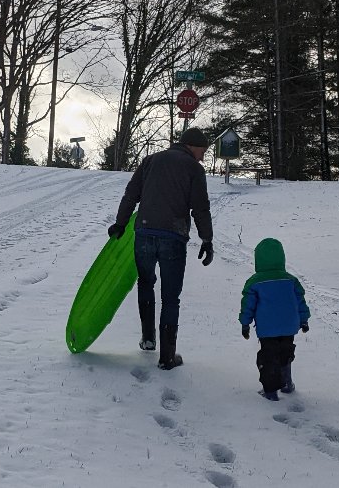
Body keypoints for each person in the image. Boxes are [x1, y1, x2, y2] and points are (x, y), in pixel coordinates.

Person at [108, 128, 214, 370]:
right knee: (170, 297)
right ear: (191, 145)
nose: (202, 157)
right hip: (173, 237)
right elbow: (200, 207)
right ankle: (167, 357)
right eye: (202, 151)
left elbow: (131, 194)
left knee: (145, 283)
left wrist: (121, 223)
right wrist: (206, 239)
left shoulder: (150, 161)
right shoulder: (194, 169)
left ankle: (148, 339)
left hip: (143, 234)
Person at [238, 238, 310, 401]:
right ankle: (286, 383)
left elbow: (248, 304)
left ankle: (270, 390)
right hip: (288, 326)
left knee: (268, 356)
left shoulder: (254, 282)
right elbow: (300, 301)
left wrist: (245, 323)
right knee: (285, 352)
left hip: (267, 328)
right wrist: (304, 319)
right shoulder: (291, 280)